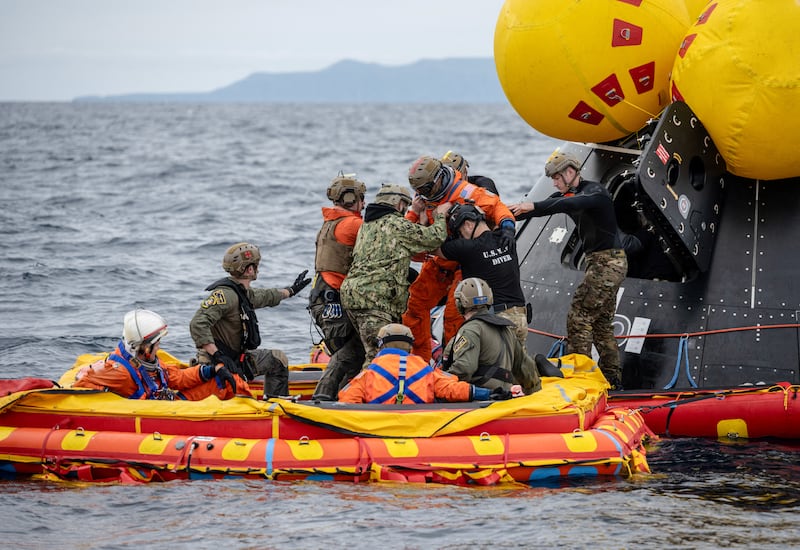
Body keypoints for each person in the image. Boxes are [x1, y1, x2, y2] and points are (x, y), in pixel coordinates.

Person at [509, 151, 627, 389]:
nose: (554, 183)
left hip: (608, 262)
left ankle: (580, 380)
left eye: (556, 177)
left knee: (579, 316)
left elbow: (572, 203)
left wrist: (533, 204)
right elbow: (548, 207)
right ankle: (613, 381)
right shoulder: (566, 194)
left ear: (570, 172)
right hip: (602, 262)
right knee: (602, 324)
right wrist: (509, 213)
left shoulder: (595, 193)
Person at [403, 155, 516, 363]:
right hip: (440, 259)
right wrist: (414, 212)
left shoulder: (464, 191)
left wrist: (507, 227)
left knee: (455, 314)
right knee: (415, 304)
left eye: (427, 190)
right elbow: (408, 237)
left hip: (465, 261)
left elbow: (497, 206)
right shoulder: (424, 201)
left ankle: (455, 362)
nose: (424, 195)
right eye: (420, 192)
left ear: (438, 179)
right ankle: (419, 362)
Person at [340, 183, 451, 366]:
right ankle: (368, 393)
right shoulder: (396, 225)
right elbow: (434, 238)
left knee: (369, 352)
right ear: (397, 203)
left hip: (355, 295)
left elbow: (405, 239)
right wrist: (440, 216)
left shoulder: (368, 225)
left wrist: (418, 215)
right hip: (374, 299)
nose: (405, 208)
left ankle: (353, 391)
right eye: (405, 205)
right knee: (378, 356)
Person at [189, 242, 311, 398]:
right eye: (256, 265)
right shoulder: (225, 295)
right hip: (215, 362)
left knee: (277, 360)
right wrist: (218, 355)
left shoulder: (243, 293)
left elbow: (266, 296)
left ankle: (275, 405)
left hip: (236, 358)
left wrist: (291, 291)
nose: (258, 269)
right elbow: (198, 323)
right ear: (249, 269)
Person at [75, 309, 243, 400]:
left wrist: (212, 370)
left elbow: (176, 378)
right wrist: (113, 401)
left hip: (168, 407)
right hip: (156, 415)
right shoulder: (120, 372)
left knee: (229, 380)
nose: (159, 347)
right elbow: (82, 381)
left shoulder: (149, 361)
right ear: (144, 346)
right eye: (156, 343)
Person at [338, 323, 511, 404]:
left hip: (379, 426)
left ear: (381, 344)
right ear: (410, 344)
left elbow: (347, 399)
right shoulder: (425, 369)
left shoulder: (370, 372)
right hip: (420, 424)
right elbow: (453, 389)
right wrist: (487, 394)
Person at [308, 173, 367, 401]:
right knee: (350, 353)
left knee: (351, 355)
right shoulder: (353, 224)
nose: (364, 204)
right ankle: (323, 398)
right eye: (362, 199)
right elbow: (383, 236)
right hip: (333, 302)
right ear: (354, 199)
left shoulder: (329, 224)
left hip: (322, 298)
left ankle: (341, 397)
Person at [438, 203, 528, 345]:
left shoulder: (467, 248)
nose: (461, 237)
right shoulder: (506, 238)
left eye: (460, 233)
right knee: (517, 364)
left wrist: (439, 216)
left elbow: (432, 246)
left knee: (494, 365)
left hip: (495, 321)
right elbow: (498, 208)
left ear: (468, 224)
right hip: (520, 318)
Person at [444, 277, 542, 395]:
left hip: (479, 400)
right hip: (503, 398)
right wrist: (534, 393)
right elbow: (525, 368)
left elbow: (465, 368)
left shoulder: (470, 330)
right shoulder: (506, 328)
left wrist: (441, 381)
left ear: (460, 303)